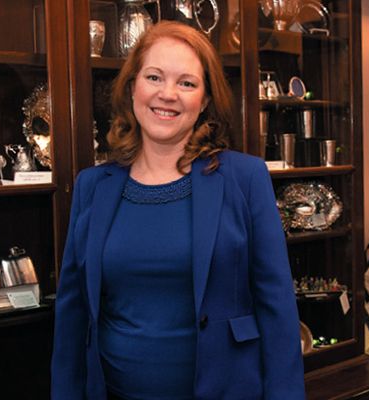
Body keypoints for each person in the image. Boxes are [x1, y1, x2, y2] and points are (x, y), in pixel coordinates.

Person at [51, 21, 305, 400]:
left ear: (204, 100)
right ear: (132, 87)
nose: (167, 94)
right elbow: (72, 317)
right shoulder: (92, 186)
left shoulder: (246, 178)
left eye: (186, 83)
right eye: (154, 77)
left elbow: (278, 308)